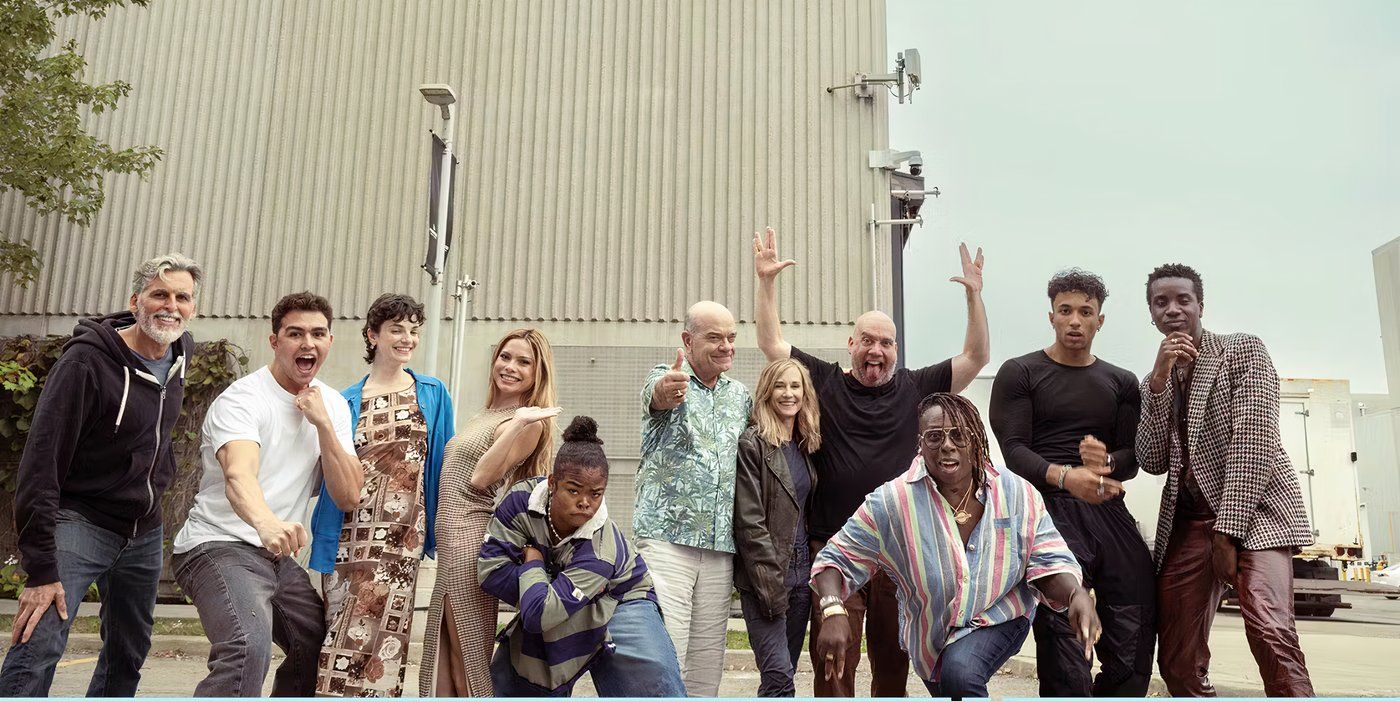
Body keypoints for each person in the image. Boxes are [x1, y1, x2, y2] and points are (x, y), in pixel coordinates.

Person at [754, 227, 989, 696]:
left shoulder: (917, 388)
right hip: (836, 549)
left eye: (886, 342)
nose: (876, 350)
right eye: (867, 340)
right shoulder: (822, 381)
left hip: (899, 551)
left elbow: (976, 356)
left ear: (896, 350)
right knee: (833, 663)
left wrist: (974, 298)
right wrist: (766, 283)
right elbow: (772, 344)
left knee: (892, 665)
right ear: (851, 343)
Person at [0, 254, 202, 697]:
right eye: (159, 294)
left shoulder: (181, 354)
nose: (171, 305)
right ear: (136, 301)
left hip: (143, 531)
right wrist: (39, 569)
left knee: (127, 655)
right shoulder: (86, 363)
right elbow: (41, 461)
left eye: (182, 297)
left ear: (192, 307)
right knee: (40, 639)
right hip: (81, 520)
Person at [811, 393, 1100, 700]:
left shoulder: (1016, 492)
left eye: (959, 435)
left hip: (1000, 614)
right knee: (953, 685)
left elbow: (1047, 559)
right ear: (920, 444)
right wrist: (832, 608)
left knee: (960, 675)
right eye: (935, 436)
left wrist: (1075, 593)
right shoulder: (892, 502)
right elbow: (835, 559)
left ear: (976, 441)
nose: (947, 445)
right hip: (932, 635)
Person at [1137, 263, 1315, 697]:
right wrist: (1159, 383)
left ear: (1201, 306)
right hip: (1189, 522)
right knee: (1177, 657)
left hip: (1257, 514)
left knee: (1270, 630)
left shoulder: (1241, 351)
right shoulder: (1155, 381)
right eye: (1162, 303)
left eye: (1183, 300)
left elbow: (1253, 441)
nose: (1173, 310)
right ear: (1151, 314)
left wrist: (1227, 533)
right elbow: (1151, 460)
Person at [171, 291, 361, 697]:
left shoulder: (331, 405)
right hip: (217, 545)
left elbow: (348, 495)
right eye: (295, 333)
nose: (307, 343)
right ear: (275, 342)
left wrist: (324, 425)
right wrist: (266, 523)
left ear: (329, 342)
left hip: (274, 556)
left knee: (316, 644)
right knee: (245, 647)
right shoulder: (242, 400)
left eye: (318, 334)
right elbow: (240, 475)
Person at [988, 268, 1156, 696]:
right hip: (1048, 515)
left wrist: (1107, 463)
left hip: (1109, 512)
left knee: (1134, 635)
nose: (1075, 321)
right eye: (1066, 311)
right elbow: (1014, 450)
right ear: (1051, 317)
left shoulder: (1120, 382)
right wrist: (1065, 477)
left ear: (1101, 320)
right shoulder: (1020, 372)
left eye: (1086, 311)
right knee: (1065, 651)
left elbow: (1133, 458)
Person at [306, 293, 455, 696]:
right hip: (349, 536)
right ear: (373, 335)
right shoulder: (344, 401)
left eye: (413, 331)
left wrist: (440, 533)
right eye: (396, 330)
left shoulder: (432, 392)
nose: (406, 339)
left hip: (402, 540)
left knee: (384, 648)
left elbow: (442, 465)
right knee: (339, 638)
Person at [480, 416, 686, 697]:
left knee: (651, 685)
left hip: (620, 599)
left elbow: (540, 612)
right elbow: (491, 572)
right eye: (573, 490)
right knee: (519, 675)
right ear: (553, 483)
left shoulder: (601, 548)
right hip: (554, 598)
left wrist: (533, 562)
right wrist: (549, 592)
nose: (585, 502)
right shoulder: (520, 501)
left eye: (596, 493)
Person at [419, 328, 560, 696]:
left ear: (537, 372)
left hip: (469, 539)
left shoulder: (528, 422)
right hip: (450, 540)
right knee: (444, 654)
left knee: (468, 656)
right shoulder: (487, 413)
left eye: (523, 362)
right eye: (505, 356)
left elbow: (482, 477)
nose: (510, 367)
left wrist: (517, 423)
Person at [633, 300, 751, 696]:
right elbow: (657, 394)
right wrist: (667, 389)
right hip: (667, 540)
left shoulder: (741, 396)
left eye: (731, 337)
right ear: (688, 340)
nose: (726, 346)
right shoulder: (667, 378)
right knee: (664, 653)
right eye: (714, 338)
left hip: (720, 546)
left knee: (706, 662)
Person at [733, 358, 821, 697]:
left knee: (783, 677)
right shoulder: (752, 444)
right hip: (764, 581)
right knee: (779, 679)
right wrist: (770, 586)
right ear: (768, 392)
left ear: (805, 393)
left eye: (795, 386)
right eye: (780, 386)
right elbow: (749, 524)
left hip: (801, 578)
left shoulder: (806, 446)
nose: (788, 394)